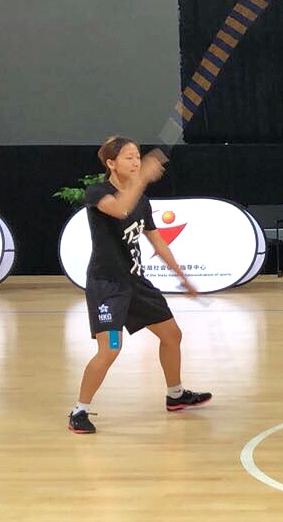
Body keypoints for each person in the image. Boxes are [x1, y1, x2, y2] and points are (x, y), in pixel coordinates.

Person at [68, 136, 211, 434]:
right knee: (111, 349)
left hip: (136, 282)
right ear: (111, 163)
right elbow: (120, 209)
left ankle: (175, 395)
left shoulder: (141, 202)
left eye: (137, 157)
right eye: (129, 157)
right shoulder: (97, 192)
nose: (136, 162)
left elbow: (158, 242)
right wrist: (143, 177)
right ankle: (79, 411)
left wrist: (182, 277)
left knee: (172, 334)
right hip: (107, 285)